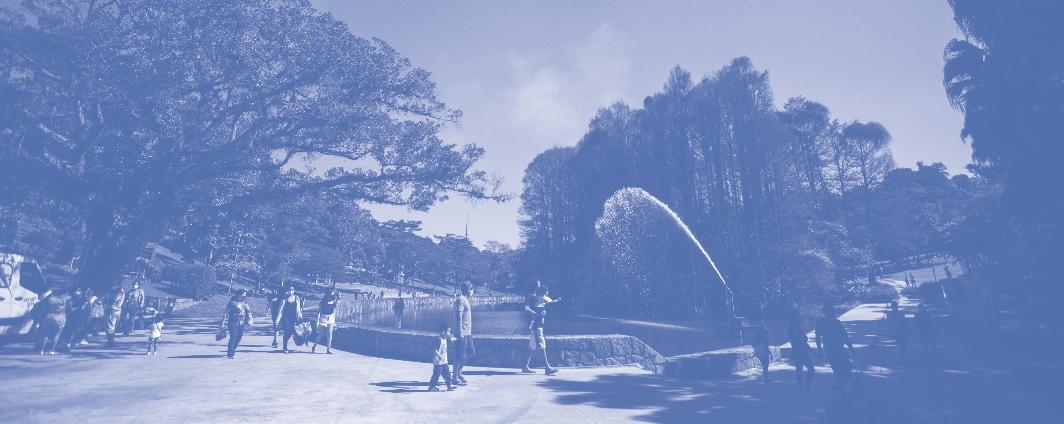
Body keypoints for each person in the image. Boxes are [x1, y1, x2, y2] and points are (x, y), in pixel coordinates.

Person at [522, 285, 560, 375]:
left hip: (536, 326)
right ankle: (547, 367)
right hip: (537, 327)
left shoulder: (536, 298)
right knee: (542, 346)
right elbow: (529, 310)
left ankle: (525, 367)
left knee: (532, 347)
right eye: (538, 284)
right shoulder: (534, 297)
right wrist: (538, 313)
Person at [816, 304, 854, 391]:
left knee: (836, 368)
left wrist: (820, 350)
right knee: (846, 369)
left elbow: (817, 338)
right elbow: (845, 336)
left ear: (824, 312)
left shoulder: (820, 323)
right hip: (839, 348)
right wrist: (851, 348)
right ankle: (841, 385)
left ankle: (840, 385)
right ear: (832, 311)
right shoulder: (836, 322)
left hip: (828, 349)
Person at [34, 288, 72, 355]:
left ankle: (41, 350)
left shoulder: (50, 298)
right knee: (57, 334)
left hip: (49, 316)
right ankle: (52, 350)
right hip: (60, 317)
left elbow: (44, 307)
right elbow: (69, 309)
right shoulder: (66, 298)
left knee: (45, 333)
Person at [451, 282, 475, 385]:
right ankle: (455, 378)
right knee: (459, 355)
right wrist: (460, 331)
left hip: (467, 333)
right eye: (471, 289)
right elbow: (459, 315)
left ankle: (459, 372)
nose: (472, 291)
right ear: (468, 290)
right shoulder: (461, 300)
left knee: (471, 352)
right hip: (461, 333)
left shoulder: (465, 300)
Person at [221, 289, 254, 359]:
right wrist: (222, 323)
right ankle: (230, 353)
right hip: (233, 322)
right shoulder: (232, 303)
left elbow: (248, 313)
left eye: (245, 295)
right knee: (233, 336)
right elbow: (226, 314)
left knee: (239, 337)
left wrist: (249, 321)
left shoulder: (245, 303)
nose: (244, 296)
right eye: (243, 295)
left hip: (241, 323)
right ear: (239, 295)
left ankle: (233, 348)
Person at [787, 314, 815, 390]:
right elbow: (802, 341)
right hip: (801, 352)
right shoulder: (795, 331)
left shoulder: (795, 330)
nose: (801, 321)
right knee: (809, 369)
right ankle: (805, 386)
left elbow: (803, 340)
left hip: (798, 352)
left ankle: (802, 386)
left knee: (800, 369)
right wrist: (811, 351)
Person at [428, 323, 458, 392]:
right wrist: (439, 356)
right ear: (443, 331)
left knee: (447, 374)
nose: (449, 333)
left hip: (444, 361)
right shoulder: (439, 339)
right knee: (436, 375)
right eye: (448, 331)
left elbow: (451, 339)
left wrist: (457, 338)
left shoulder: (445, 339)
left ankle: (449, 385)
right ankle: (431, 387)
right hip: (438, 362)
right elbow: (434, 349)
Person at [312, 289, 339, 354]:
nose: (332, 296)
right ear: (328, 295)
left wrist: (334, 322)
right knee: (320, 334)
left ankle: (328, 349)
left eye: (333, 295)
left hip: (331, 318)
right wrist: (318, 321)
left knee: (329, 334)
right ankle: (314, 346)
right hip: (323, 318)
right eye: (331, 294)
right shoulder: (322, 302)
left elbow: (334, 312)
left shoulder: (334, 303)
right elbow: (319, 312)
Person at [278, 286, 302, 353]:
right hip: (286, 317)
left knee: (292, 331)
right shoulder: (284, 299)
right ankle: (285, 347)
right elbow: (281, 310)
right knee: (286, 331)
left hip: (294, 317)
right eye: (289, 290)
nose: (291, 291)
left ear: (294, 291)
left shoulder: (296, 298)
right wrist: (277, 321)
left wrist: (300, 316)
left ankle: (295, 341)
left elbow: (298, 309)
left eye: (292, 290)